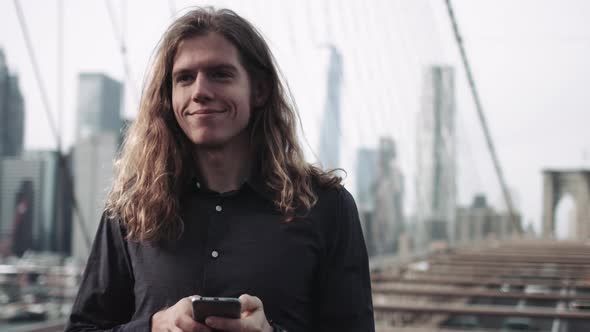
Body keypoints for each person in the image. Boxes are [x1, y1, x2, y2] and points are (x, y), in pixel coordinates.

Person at [65, 7, 374, 332]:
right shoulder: (130, 211)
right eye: (184, 78)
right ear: (170, 97)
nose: (199, 91)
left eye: (220, 74)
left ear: (259, 90)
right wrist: (152, 326)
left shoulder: (326, 207)